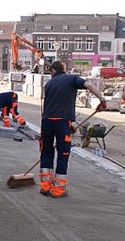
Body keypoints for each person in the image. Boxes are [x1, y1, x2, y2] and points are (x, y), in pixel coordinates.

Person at [39, 61, 107, 198]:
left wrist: (71, 123)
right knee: (63, 154)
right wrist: (102, 99)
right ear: (63, 70)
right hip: (62, 122)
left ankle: (45, 186)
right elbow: (89, 85)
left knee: (46, 151)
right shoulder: (72, 79)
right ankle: (58, 189)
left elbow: (53, 104)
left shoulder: (49, 84)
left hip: (47, 121)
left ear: (53, 71)